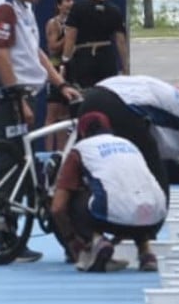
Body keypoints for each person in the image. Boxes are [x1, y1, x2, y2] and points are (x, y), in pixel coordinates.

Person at [0, 0, 81, 263]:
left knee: (21, 161)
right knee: (11, 162)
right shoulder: (4, 9)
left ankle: (12, 230)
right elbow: (0, 56)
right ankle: (6, 236)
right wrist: (17, 97)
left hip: (24, 94)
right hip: (6, 98)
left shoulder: (24, 9)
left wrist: (61, 85)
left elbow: (37, 55)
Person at [82, 73, 179, 269]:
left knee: (104, 170)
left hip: (93, 97)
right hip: (119, 105)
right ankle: (145, 250)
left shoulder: (167, 115)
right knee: (156, 189)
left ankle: (89, 242)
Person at [51, 111, 167, 272]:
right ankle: (146, 253)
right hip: (155, 215)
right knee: (135, 194)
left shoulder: (81, 149)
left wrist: (73, 240)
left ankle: (96, 240)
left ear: (82, 133)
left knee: (73, 197)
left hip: (111, 215)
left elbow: (58, 207)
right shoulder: (129, 145)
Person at [61, 0, 127, 87]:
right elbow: (121, 41)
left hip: (84, 58)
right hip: (107, 58)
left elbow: (70, 38)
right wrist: (125, 67)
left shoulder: (78, 7)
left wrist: (65, 61)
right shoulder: (114, 10)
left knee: (86, 96)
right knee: (106, 95)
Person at [43, 0, 76, 148]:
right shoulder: (53, 23)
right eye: (67, 0)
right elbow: (53, 47)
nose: (71, 3)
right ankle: (48, 154)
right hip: (56, 69)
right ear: (59, 4)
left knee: (64, 116)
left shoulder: (74, 22)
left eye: (72, 0)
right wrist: (68, 35)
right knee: (52, 115)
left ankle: (61, 154)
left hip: (70, 69)